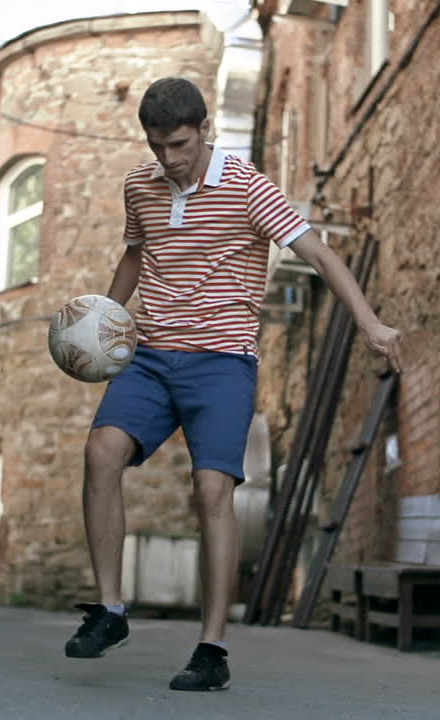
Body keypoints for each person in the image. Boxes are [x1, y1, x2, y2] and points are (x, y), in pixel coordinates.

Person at [64, 77, 403, 691]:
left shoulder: (247, 187)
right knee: (100, 453)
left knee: (212, 490)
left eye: (181, 144)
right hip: (152, 356)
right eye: (157, 145)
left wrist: (369, 322)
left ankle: (211, 649)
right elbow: (136, 255)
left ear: (206, 130)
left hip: (222, 362)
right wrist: (102, 328)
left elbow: (320, 255)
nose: (169, 159)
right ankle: (110, 610)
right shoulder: (139, 185)